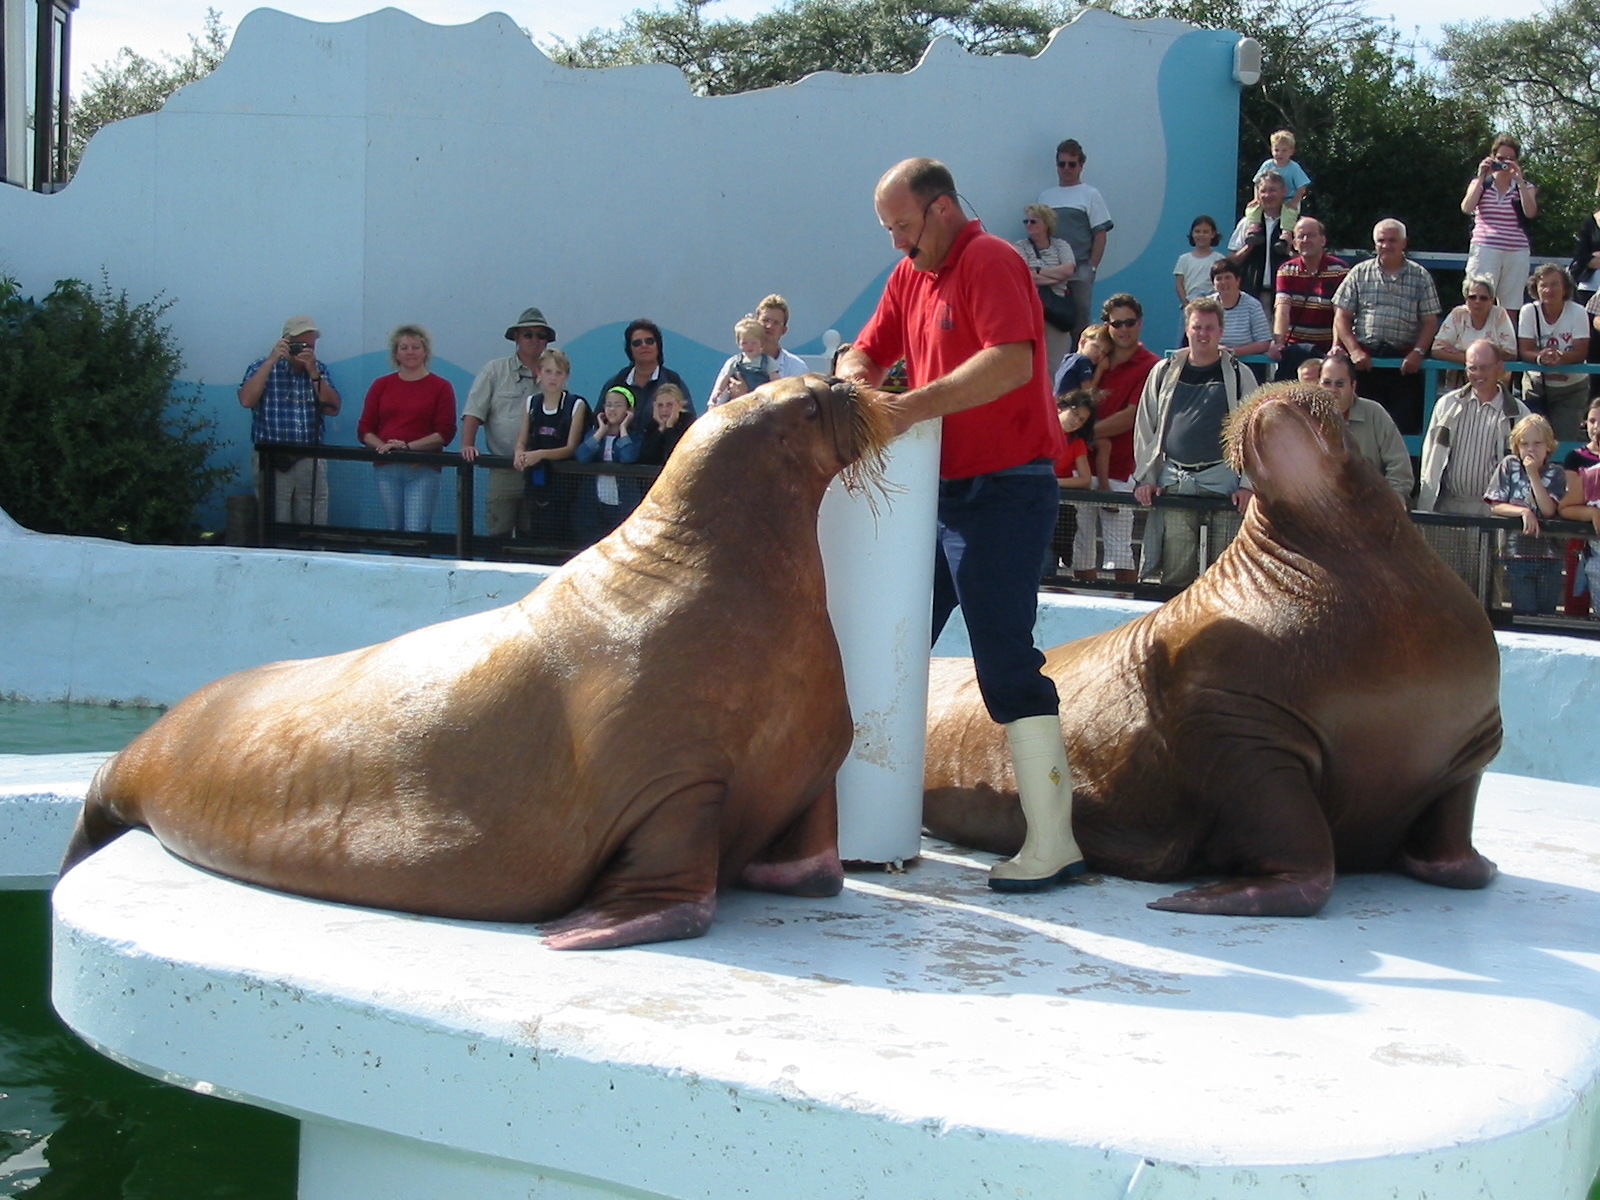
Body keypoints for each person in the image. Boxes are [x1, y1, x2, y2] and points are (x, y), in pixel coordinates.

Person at [835, 156, 1081, 893]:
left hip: (1008, 494)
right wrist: (855, 389)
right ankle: (852, 814)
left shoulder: (992, 259)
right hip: (930, 501)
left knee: (1004, 659)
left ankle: (1056, 842)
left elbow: (1010, 363)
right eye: (889, 230)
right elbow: (866, 349)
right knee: (878, 646)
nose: (896, 244)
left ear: (941, 209)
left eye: (903, 226)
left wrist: (905, 408)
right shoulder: (910, 274)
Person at [1132, 297, 1258, 588]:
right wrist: (1146, 478)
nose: (1203, 333)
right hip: (1175, 478)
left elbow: (1254, 435)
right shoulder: (1163, 371)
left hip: (1223, 479)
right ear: (1187, 330)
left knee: (1224, 571)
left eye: (1210, 328)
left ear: (1221, 331)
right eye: (1197, 327)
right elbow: (1145, 428)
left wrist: (1247, 485)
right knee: (1176, 569)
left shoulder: (1241, 375)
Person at [1332, 219, 1440, 435]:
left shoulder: (1420, 276)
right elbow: (1341, 317)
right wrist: (1354, 351)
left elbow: (1430, 322)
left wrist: (1419, 352)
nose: (1386, 245)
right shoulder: (1359, 273)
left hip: (1403, 366)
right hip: (1365, 364)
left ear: (1404, 243)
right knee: (1359, 430)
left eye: (1392, 240)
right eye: (1381, 240)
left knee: (1403, 429)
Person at [1078, 293, 1159, 582]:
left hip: (1123, 468)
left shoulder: (1152, 364)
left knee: (1120, 553)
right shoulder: (1095, 358)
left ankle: (1128, 618)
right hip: (1081, 468)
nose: (1124, 329)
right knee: (1080, 550)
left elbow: (1131, 417)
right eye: (1117, 323)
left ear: (1140, 323)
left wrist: (1079, 431)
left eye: (1130, 322)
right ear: (1107, 325)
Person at [462, 306, 556, 537]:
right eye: (528, 334)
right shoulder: (494, 370)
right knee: (498, 535)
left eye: (541, 335)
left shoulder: (554, 372)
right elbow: (474, 411)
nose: (535, 339)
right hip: (504, 468)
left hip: (542, 470)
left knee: (534, 536)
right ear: (516, 337)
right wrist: (467, 444)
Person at [238, 314, 341, 525]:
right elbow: (247, 400)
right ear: (285, 341)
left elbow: (332, 408)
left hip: (309, 456)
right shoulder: (262, 366)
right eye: (299, 345)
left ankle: (311, 554)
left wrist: (313, 373)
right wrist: (271, 361)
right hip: (272, 456)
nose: (304, 350)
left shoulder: (319, 369)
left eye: (309, 346)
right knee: (275, 518)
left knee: (312, 518)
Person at [356, 324, 457, 533]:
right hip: (387, 468)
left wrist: (408, 447)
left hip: (423, 468)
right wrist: (384, 447)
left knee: (416, 529)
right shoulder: (381, 385)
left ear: (425, 351)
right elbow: (365, 429)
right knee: (394, 529)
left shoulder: (441, 387)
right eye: (404, 347)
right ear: (396, 353)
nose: (410, 352)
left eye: (415, 346)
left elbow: (445, 432)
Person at [1418, 339, 1530, 526]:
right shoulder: (1446, 405)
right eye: (1472, 368)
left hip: (1497, 513)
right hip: (1448, 508)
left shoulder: (1519, 413)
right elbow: (1429, 459)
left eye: (1484, 367)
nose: (1478, 374)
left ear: (1500, 367)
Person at [1484, 413, 1566, 615]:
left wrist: (1533, 474)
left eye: (1537, 443)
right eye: (1525, 443)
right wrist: (1523, 511)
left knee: (1546, 617)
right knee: (1524, 614)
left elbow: (1548, 510)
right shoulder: (1508, 465)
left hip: (1550, 557)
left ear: (1548, 446)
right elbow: (1495, 505)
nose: (1530, 449)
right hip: (1517, 555)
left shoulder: (1556, 472)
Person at [1038, 138, 1113, 344]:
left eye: (1072, 164)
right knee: (1052, 319)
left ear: (1081, 165)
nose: (1066, 168)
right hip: (1051, 270)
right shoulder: (1046, 196)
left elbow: (1100, 234)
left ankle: (1081, 365)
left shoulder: (1090, 194)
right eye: (1062, 164)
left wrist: (1092, 267)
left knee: (1080, 321)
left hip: (1080, 267)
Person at [512, 347, 588, 543]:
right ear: (539, 373)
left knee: (563, 536)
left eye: (559, 372)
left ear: (566, 376)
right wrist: (519, 453)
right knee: (535, 532)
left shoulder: (576, 405)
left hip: (566, 485)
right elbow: (522, 440)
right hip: (537, 482)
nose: (553, 378)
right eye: (548, 371)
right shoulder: (532, 403)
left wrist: (540, 454)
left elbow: (571, 447)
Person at [1316, 355, 1415, 504]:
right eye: (1327, 383)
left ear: (1353, 386)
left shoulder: (1375, 413)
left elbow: (1400, 469)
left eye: (1340, 384)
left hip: (1371, 508)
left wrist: (1392, 502)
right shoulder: (1306, 416)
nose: (1332, 390)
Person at [1461, 134, 1537, 319]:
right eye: (1501, 159)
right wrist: (1481, 177)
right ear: (1492, 158)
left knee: (1510, 304)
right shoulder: (1481, 184)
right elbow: (1467, 207)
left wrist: (1519, 181)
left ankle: (1505, 343)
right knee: (1478, 297)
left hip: (1516, 251)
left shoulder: (1525, 187)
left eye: (1510, 159)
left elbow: (1531, 213)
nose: (1505, 164)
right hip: (1486, 248)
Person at [1518, 263, 1590, 444]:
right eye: (1543, 285)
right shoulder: (1528, 311)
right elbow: (1524, 349)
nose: (1549, 290)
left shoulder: (1578, 312)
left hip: (1571, 389)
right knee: (1533, 441)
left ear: (1565, 287)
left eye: (1555, 284)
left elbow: (1581, 351)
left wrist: (1560, 357)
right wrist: (1540, 357)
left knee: (1564, 442)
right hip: (1537, 387)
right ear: (1536, 288)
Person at [1272, 216, 1348, 382]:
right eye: (1300, 236)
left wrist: (1337, 345)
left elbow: (1340, 313)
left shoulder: (1340, 270)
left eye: (1311, 235)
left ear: (1323, 240)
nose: (1305, 240)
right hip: (1295, 349)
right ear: (1294, 243)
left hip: (1328, 350)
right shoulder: (1286, 270)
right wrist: (1279, 342)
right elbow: (1282, 309)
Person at [599, 319, 695, 433]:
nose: (644, 345)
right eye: (637, 343)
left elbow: (690, 424)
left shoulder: (673, 381)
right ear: (629, 349)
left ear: (658, 346)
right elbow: (599, 419)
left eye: (649, 341)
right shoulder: (616, 382)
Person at [574, 385, 643, 540]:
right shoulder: (594, 434)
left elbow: (628, 457)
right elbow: (582, 456)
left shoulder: (635, 437)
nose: (612, 409)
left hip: (623, 504)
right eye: (608, 405)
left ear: (628, 410)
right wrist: (600, 431)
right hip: (594, 504)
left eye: (618, 405)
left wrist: (623, 428)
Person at [1013, 203, 1077, 369]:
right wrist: (1056, 277)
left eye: (1033, 221)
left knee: (1057, 364)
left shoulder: (1061, 245)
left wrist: (1039, 271)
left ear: (1046, 223)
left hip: (1057, 312)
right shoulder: (1020, 246)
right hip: (1033, 309)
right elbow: (1025, 276)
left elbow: (1069, 269)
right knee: (1034, 364)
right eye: (1025, 221)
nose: (1028, 225)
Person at [1227, 170, 1293, 306]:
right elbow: (1231, 262)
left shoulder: (1295, 223)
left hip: (1286, 296)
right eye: (1263, 191)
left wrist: (1290, 252)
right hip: (1251, 296)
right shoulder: (1247, 223)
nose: (1267, 195)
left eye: (1273, 190)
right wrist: (1249, 246)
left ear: (1284, 191)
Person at [1047, 390, 1095, 578]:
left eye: (1082, 420)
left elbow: (1085, 479)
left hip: (1057, 511)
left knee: (1048, 558)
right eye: (1075, 414)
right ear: (1060, 408)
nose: (1077, 421)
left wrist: (1052, 482)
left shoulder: (1077, 443)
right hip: (1027, 503)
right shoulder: (1039, 429)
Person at [1432, 275, 1518, 369]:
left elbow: (1510, 353)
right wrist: (1476, 359)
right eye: (1472, 297)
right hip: (1459, 377)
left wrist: (1465, 354)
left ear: (1491, 300)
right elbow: (1437, 350)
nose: (1477, 301)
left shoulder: (1499, 314)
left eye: (1483, 298)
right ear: (1465, 298)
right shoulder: (1458, 314)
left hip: (1493, 377)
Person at [1209, 259, 1274, 365]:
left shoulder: (1252, 305)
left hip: (1246, 364)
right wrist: (1217, 349)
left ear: (1238, 280)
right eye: (1219, 279)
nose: (1223, 282)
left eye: (1228, 277)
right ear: (1213, 284)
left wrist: (1234, 352)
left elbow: (1264, 342)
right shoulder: (1207, 305)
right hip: (1213, 362)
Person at [708, 316, 780, 406]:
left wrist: (777, 392)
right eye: (745, 343)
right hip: (738, 403)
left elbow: (776, 380)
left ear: (761, 342)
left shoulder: (768, 361)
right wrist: (718, 390)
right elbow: (725, 377)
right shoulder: (735, 361)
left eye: (754, 342)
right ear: (738, 343)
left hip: (761, 402)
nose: (749, 346)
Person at [1250, 129, 1311, 218]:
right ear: (1271, 150)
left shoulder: (1294, 168)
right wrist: (1256, 198)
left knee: (1288, 215)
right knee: (1252, 209)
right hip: (1269, 198)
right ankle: (1255, 226)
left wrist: (1294, 202)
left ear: (1291, 151)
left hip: (1288, 199)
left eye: (1284, 150)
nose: (1279, 154)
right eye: (1276, 150)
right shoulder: (1267, 165)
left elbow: (1302, 188)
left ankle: (1286, 231)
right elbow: (1257, 183)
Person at [637, 383, 695, 468]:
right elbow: (645, 457)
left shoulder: (689, 423)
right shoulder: (651, 425)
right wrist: (660, 429)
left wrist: (669, 427)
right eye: (660, 405)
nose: (664, 409)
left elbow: (676, 455)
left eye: (669, 405)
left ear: (679, 405)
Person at [1173, 214, 1222, 313]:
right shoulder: (1184, 259)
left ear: (1213, 234)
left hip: (1212, 302)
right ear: (1192, 234)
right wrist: (1186, 303)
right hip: (1191, 302)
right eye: (1197, 231)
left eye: (1205, 232)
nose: (1201, 235)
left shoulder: (1219, 258)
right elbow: (1179, 284)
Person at [755, 294, 810, 377]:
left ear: (784, 331)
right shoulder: (737, 364)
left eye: (776, 323)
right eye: (766, 320)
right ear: (755, 323)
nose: (769, 326)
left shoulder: (797, 368)